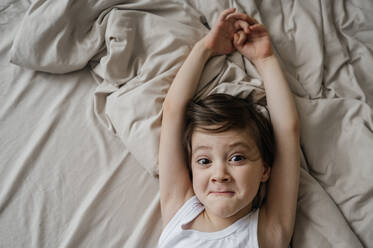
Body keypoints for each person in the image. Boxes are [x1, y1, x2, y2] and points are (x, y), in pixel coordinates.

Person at [158, 8, 300, 248]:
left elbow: (287, 131)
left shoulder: (267, 232)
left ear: (265, 170)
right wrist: (205, 48)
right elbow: (172, 113)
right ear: (191, 169)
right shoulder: (180, 215)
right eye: (204, 161)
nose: (220, 174)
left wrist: (265, 60)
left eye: (237, 157)